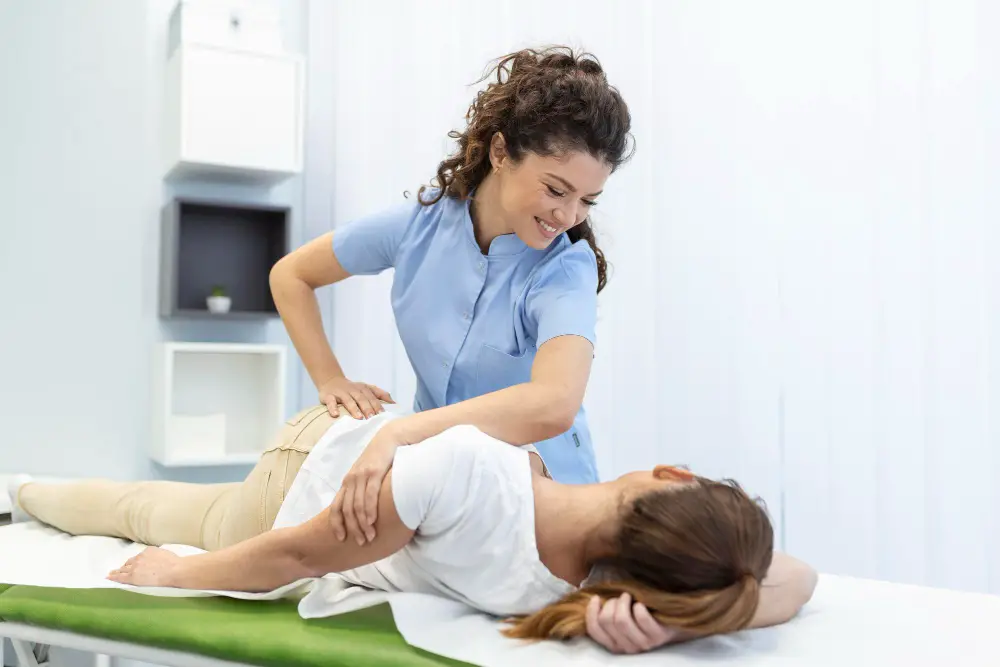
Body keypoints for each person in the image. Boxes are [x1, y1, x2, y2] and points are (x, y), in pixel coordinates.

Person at [8, 405, 817, 650]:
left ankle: (23, 489)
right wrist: (672, 621)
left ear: (673, 476)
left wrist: (174, 573)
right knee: (144, 508)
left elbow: (292, 552)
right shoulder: (595, 582)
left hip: (292, 496)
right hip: (332, 454)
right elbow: (790, 579)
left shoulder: (467, 474)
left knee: (145, 512)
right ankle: (26, 489)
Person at [267, 45, 631, 540]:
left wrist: (401, 433)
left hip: (544, 504)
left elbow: (554, 404)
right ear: (500, 153)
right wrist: (331, 380)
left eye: (587, 200)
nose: (568, 217)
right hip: (437, 491)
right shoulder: (421, 225)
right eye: (555, 190)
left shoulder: (565, 268)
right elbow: (291, 276)